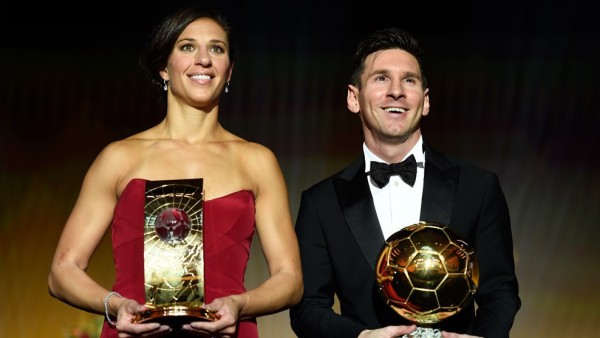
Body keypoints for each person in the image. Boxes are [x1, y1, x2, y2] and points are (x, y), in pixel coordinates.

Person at [48, 4, 303, 338]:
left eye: (217, 48)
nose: (203, 59)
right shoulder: (120, 157)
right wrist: (115, 306)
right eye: (187, 47)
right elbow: (62, 271)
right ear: (163, 68)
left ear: (229, 71)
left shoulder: (256, 161)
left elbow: (290, 279)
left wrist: (240, 304)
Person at [289, 27, 520, 338]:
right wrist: (361, 337)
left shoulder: (478, 187)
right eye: (381, 78)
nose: (396, 91)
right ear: (353, 98)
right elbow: (307, 308)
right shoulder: (321, 202)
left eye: (409, 80)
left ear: (424, 101)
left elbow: (499, 291)